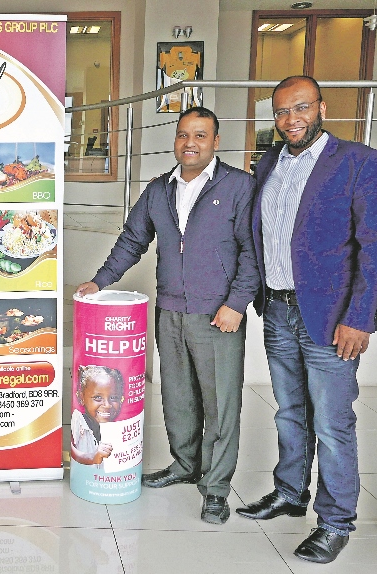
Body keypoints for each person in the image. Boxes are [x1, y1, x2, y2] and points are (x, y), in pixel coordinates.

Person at [236, 76, 377, 564]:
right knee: (289, 412)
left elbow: (375, 245)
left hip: (330, 317)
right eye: (282, 112)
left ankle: (335, 521)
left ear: (321, 107)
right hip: (279, 309)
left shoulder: (358, 161)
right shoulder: (268, 164)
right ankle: (289, 493)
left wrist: (360, 318)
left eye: (300, 108)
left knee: (331, 421)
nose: (291, 120)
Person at [77, 106, 258, 525]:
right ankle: (184, 465)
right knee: (177, 397)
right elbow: (132, 240)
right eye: (182, 135)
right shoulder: (160, 189)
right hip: (170, 309)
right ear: (175, 140)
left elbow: (252, 251)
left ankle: (214, 488)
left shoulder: (238, 187)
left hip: (218, 313)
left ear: (215, 141)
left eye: (200, 135)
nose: (189, 143)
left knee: (220, 403)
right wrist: (100, 281)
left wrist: (236, 304)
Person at [70, 365, 124, 467]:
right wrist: (92, 457)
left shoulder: (118, 429)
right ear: (81, 397)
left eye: (113, 397)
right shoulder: (79, 421)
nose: (107, 405)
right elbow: (73, 451)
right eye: (98, 397)